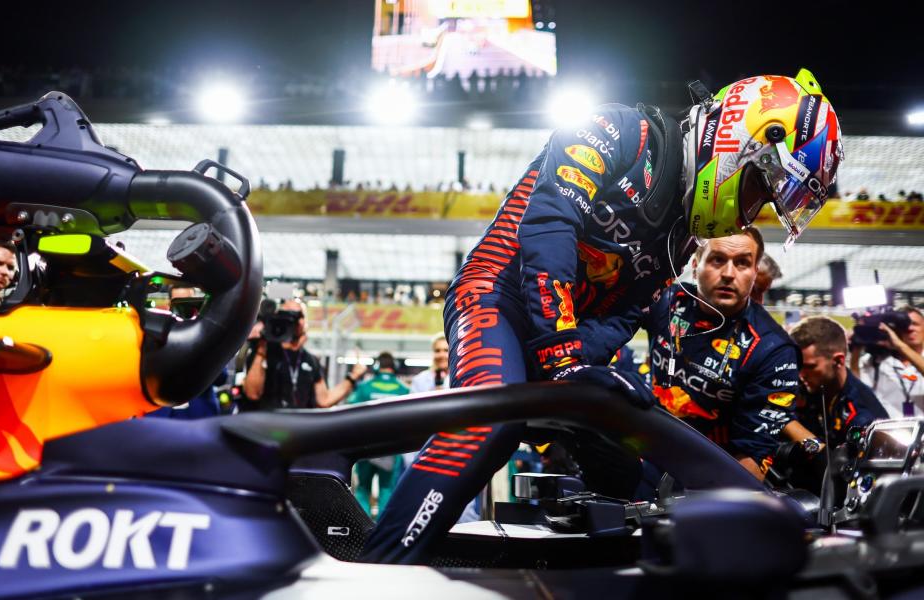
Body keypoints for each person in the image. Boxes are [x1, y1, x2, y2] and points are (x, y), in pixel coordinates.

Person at [361, 70, 843, 564]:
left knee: (624, 465)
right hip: (493, 296)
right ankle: (381, 570)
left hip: (562, 339)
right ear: (743, 142)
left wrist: (579, 374)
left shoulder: (682, 238)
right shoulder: (618, 131)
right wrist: (564, 358)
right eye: (763, 188)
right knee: (493, 424)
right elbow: (549, 226)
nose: (751, 212)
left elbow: (624, 313)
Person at [643, 228, 803, 479]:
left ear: (754, 274)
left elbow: (753, 455)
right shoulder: (668, 300)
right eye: (717, 259)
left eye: (742, 263)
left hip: (709, 476)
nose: (729, 274)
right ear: (695, 267)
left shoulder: (774, 350)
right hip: (646, 450)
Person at [242, 298, 366, 409]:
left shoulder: (311, 360)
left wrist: (353, 377)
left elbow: (324, 400)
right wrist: (262, 349)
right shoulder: (263, 352)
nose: (293, 320)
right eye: (286, 315)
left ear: (305, 322)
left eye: (298, 315)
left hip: (298, 430)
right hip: (266, 428)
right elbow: (253, 394)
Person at [789, 316, 887, 449]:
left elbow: (831, 462)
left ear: (839, 361)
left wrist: (789, 426)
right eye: (798, 366)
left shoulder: (863, 417)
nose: (801, 375)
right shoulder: (809, 385)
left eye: (810, 367)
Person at [145, 285, 224, 419]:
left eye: (188, 301)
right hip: (162, 415)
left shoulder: (210, 334)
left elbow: (221, 378)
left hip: (199, 413)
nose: (183, 307)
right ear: (170, 303)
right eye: (178, 302)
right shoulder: (155, 331)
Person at [347, 351, 410, 517]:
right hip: (391, 449)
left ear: (376, 367)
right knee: (387, 490)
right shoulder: (404, 390)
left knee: (363, 489)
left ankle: (361, 530)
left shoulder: (365, 387)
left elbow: (350, 410)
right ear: (394, 367)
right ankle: (382, 531)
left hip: (366, 447)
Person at [855, 307, 924, 418]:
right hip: (889, 432)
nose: (910, 328)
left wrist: (899, 345)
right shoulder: (875, 361)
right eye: (904, 326)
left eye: (915, 324)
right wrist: (855, 349)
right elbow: (857, 388)